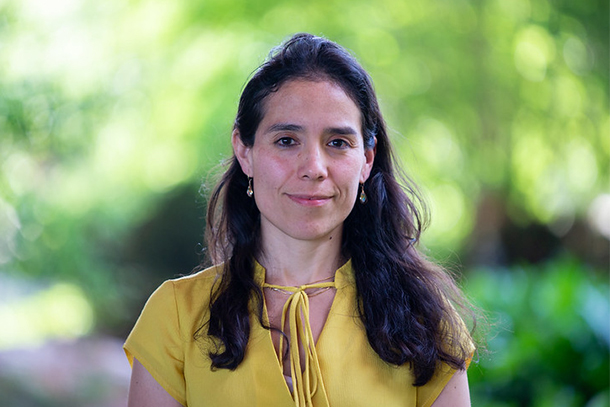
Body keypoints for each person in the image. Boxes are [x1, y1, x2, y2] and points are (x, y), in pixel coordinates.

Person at [124, 33, 476, 407]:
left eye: (338, 142)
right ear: (245, 152)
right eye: (287, 140)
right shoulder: (175, 315)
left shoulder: (424, 318)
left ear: (367, 160)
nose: (313, 168)